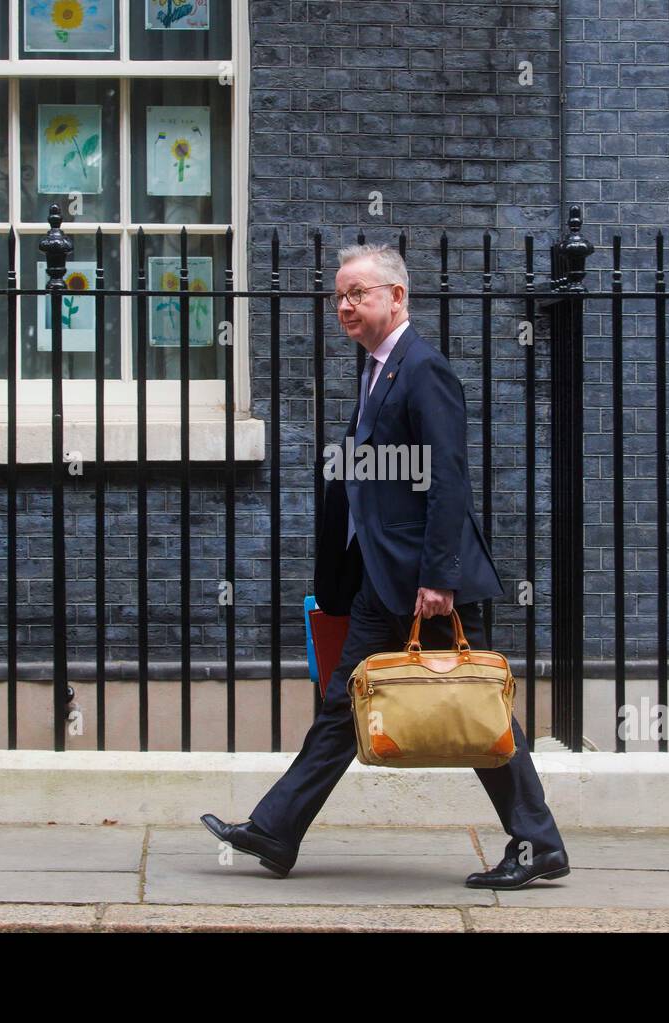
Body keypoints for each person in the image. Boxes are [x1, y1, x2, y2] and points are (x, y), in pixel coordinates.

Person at [201, 243, 568, 889]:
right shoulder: (378, 367)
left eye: (358, 293)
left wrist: (439, 575)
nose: (344, 304)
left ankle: (538, 842)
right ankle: (275, 829)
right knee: (345, 700)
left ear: (395, 297)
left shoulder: (422, 368)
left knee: (480, 712)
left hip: (425, 583)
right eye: (339, 295)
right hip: (384, 576)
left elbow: (448, 477)